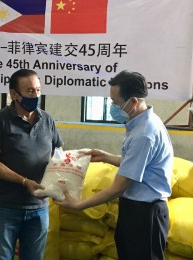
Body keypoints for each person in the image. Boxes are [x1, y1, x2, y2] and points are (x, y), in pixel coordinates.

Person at [55, 70, 173, 260]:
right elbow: (138, 164)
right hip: (135, 209)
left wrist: (79, 205)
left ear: (133, 102)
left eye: (116, 103)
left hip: (145, 214)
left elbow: (118, 187)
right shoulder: (141, 123)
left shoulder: (144, 134)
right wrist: (105, 156)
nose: (113, 107)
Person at [0, 69, 64, 260]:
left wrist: (64, 180)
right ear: (14, 94)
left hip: (39, 208)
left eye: (38, 90)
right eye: (29, 91)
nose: (35, 95)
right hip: (5, 207)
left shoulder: (47, 120)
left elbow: (59, 155)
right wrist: (24, 181)